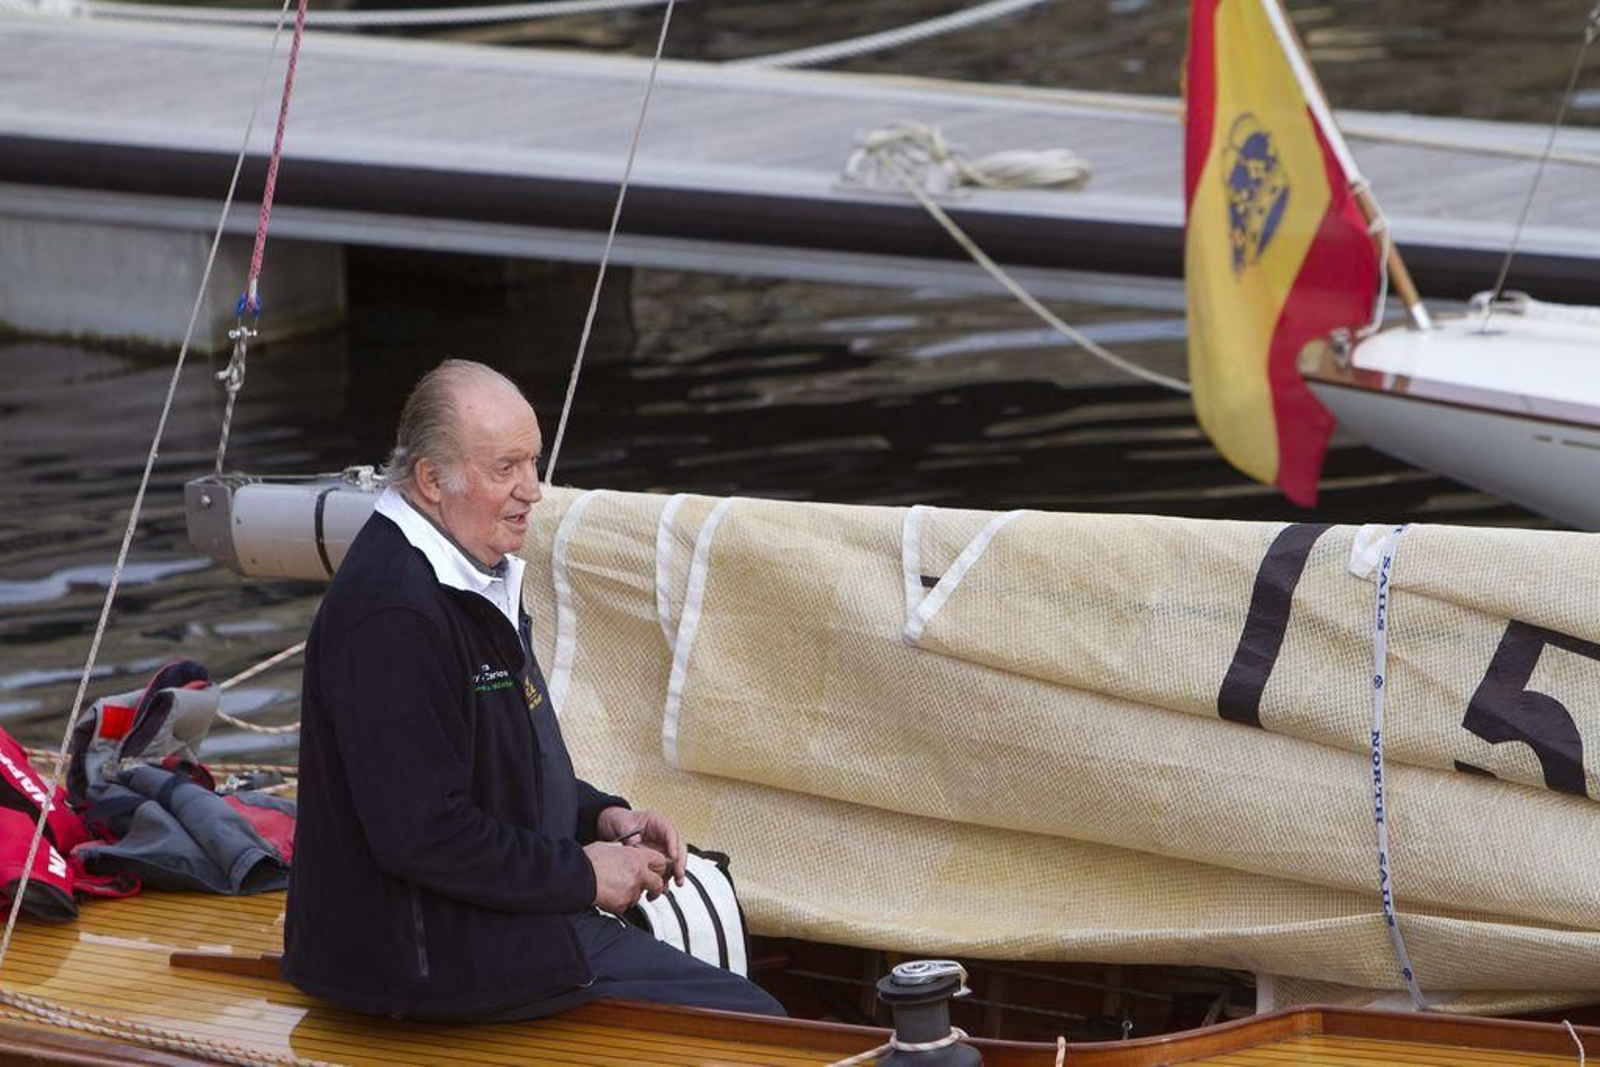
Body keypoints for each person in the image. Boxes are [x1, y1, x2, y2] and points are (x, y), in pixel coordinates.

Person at [283, 359, 784, 1022]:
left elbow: (491, 772)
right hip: (429, 962)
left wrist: (602, 818)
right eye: (505, 468)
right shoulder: (396, 613)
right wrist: (583, 874)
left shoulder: (464, 577)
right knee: (760, 1026)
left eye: (533, 462)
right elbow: (422, 833)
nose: (533, 490)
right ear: (433, 480)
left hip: (475, 924)